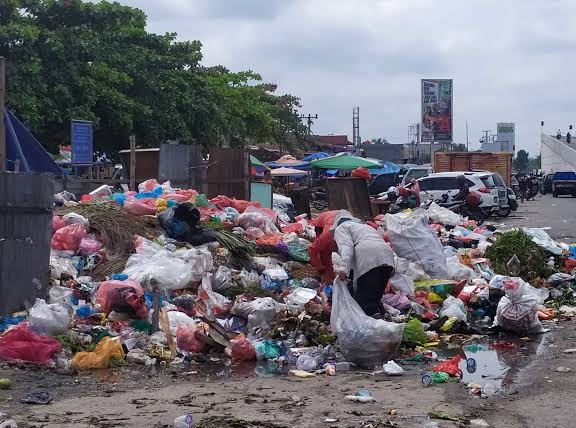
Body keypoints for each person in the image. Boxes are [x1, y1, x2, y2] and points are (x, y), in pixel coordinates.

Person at [331, 210, 395, 316]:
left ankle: (372, 328)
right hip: (387, 258)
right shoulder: (365, 227)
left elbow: (346, 247)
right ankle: (381, 323)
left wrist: (343, 269)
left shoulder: (341, 228)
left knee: (364, 305)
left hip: (369, 258)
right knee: (374, 298)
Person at [308, 211, 338, 284]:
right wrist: (322, 271)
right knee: (324, 252)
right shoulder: (327, 236)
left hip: (335, 218)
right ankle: (328, 277)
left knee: (327, 251)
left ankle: (331, 277)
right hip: (321, 222)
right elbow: (312, 250)